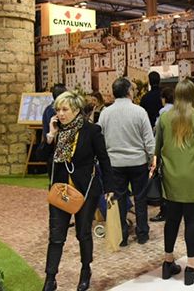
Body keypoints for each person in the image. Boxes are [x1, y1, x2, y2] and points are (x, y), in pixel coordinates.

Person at [41, 91, 114, 291]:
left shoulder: (91, 130)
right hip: (60, 190)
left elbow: (104, 159)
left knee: (83, 233)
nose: (60, 114)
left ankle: (85, 270)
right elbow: (42, 156)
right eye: (58, 110)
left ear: (76, 110)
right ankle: (50, 278)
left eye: (65, 109)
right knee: (56, 236)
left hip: (86, 190)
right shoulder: (57, 131)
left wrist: (109, 187)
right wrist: (50, 136)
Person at [155, 79, 194, 286]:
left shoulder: (164, 118)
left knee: (171, 221)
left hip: (171, 177)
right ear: (193, 95)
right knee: (192, 222)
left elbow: (157, 148)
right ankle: (191, 268)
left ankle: (167, 263)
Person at [97, 77, 155, 246]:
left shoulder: (105, 113)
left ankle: (122, 235)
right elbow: (149, 140)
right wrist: (152, 158)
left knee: (119, 199)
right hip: (138, 162)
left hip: (114, 163)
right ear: (129, 91)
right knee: (140, 199)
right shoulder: (139, 112)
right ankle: (142, 233)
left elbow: (99, 138)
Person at [151, 87, 174, 223]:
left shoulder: (163, 113)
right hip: (177, 151)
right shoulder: (179, 111)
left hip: (165, 150)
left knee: (164, 184)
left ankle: (164, 211)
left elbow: (157, 133)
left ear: (164, 99)